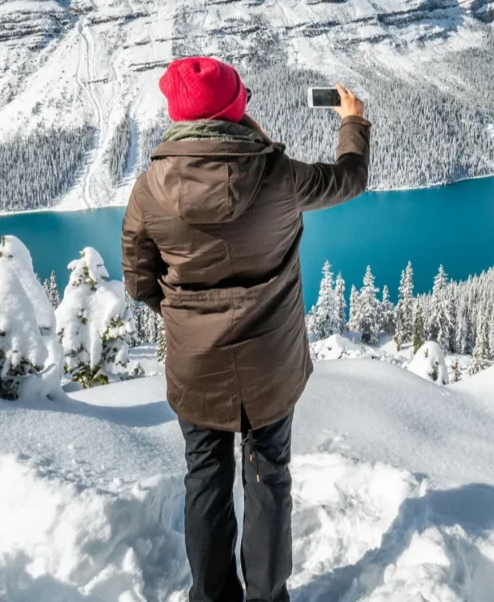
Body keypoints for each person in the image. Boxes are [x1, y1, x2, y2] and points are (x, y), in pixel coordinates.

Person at [121, 57, 371, 602]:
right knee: (268, 476)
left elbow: (140, 283)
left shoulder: (149, 190)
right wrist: (353, 122)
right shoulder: (277, 174)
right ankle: (267, 596)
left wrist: (190, 315)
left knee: (205, 479)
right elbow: (350, 179)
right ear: (236, 111)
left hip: (195, 367)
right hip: (270, 366)